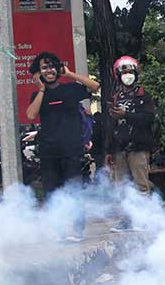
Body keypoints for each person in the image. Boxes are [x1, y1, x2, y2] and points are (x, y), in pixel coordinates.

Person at [26, 52, 99, 240]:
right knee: (52, 191)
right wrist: (41, 90)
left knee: (73, 189)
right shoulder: (38, 94)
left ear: (57, 68)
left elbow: (95, 86)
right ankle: (58, 231)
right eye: (44, 67)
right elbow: (31, 115)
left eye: (51, 66)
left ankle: (77, 230)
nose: (48, 71)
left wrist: (70, 74)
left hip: (72, 150)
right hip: (49, 152)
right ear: (38, 72)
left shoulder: (71, 89)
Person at [105, 56, 156, 205]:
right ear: (118, 76)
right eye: (124, 72)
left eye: (130, 71)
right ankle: (127, 218)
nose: (128, 75)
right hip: (119, 148)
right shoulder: (115, 97)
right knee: (121, 186)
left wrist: (126, 115)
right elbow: (111, 125)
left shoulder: (143, 96)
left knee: (141, 185)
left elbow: (149, 118)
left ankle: (143, 218)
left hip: (138, 147)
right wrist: (109, 150)